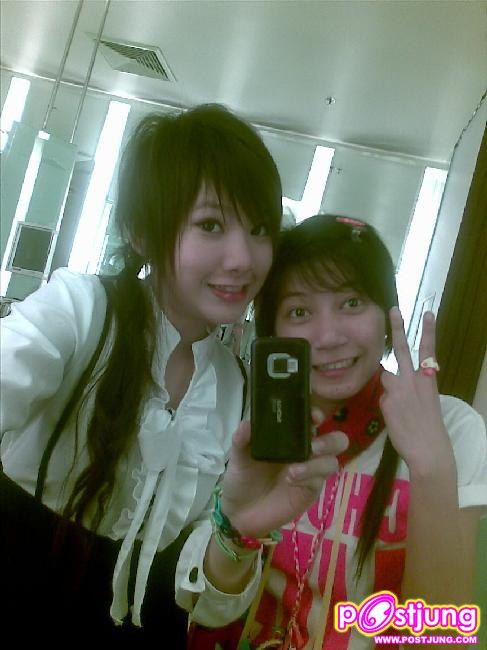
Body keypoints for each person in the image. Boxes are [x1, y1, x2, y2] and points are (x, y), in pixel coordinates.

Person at [2, 104, 347, 643]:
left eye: (259, 229)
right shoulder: (81, 310)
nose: (243, 258)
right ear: (142, 231)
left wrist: (239, 526)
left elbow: (206, 607)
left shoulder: (238, 391)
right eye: (211, 224)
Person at [188, 214, 487, 649]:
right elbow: (204, 609)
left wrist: (432, 469)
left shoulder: (451, 428)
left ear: (387, 315)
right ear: (273, 330)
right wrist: (238, 531)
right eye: (299, 311)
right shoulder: (249, 427)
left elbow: (440, 638)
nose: (328, 336)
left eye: (351, 303)